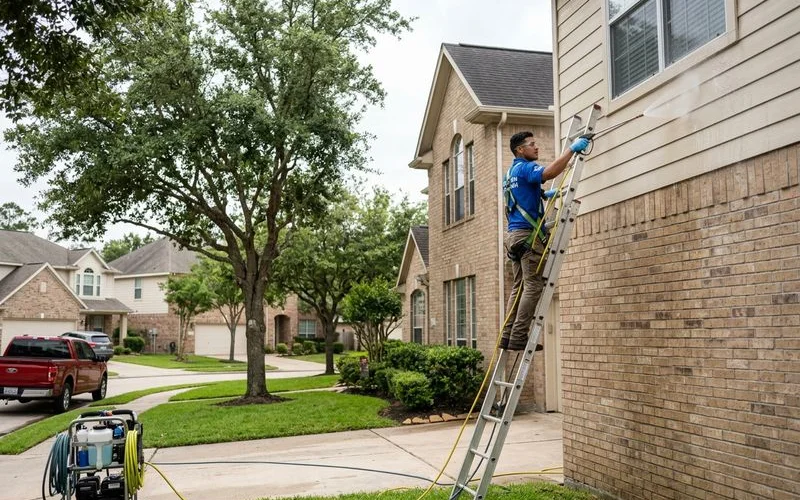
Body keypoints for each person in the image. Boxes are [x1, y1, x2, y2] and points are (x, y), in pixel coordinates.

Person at [500, 131, 589, 351]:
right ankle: (520, 337)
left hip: (513, 236)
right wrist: (572, 149)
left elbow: (522, 194)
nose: (536, 148)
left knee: (519, 286)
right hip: (528, 236)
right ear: (520, 150)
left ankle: (507, 335)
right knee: (533, 285)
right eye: (532, 145)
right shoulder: (526, 167)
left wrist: (543, 195)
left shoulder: (510, 172)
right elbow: (548, 173)